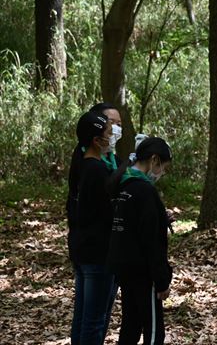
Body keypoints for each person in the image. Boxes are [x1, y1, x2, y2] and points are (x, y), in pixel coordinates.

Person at [107, 137, 173, 345]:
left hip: (124, 270)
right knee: (154, 332)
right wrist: (161, 279)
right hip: (145, 274)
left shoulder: (124, 187)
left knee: (130, 327)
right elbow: (152, 240)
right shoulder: (145, 191)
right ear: (154, 160)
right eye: (163, 167)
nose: (162, 172)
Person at [69, 111, 117, 344]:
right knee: (94, 322)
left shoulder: (84, 166)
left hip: (82, 250)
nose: (113, 135)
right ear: (97, 140)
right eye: (109, 132)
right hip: (97, 254)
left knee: (82, 318)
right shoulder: (96, 171)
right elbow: (105, 213)